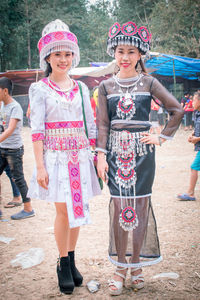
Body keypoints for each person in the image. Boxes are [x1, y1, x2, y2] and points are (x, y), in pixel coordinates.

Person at [96, 21, 184, 296]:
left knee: (141, 208)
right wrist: (100, 156)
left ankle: (136, 266)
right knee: (120, 209)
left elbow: (177, 110)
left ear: (140, 54)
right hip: (114, 155)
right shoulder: (106, 86)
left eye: (131, 52)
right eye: (121, 51)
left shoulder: (149, 82)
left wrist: (161, 136)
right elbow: (102, 125)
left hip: (143, 154)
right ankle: (119, 267)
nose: (125, 57)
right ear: (114, 51)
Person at [28, 19, 101, 294]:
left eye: (67, 53)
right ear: (48, 56)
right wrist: (39, 166)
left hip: (80, 156)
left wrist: (95, 158)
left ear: (73, 55)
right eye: (57, 53)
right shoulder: (40, 89)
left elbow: (90, 126)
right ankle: (62, 263)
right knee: (62, 211)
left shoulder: (81, 88)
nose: (63, 59)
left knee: (78, 211)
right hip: (55, 158)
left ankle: (71, 259)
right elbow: (36, 131)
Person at [0, 77, 34, 220]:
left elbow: (10, 129)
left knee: (18, 178)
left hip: (13, 150)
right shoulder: (2, 105)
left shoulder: (15, 107)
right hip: (2, 148)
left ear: (5, 91)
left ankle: (28, 208)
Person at [177, 91, 200, 201]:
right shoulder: (197, 113)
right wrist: (193, 135)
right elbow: (197, 128)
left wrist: (197, 139)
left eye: (195, 100)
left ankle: (190, 193)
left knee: (194, 166)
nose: (192, 102)